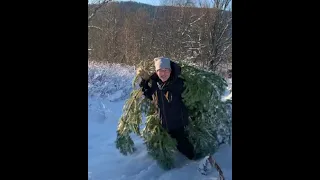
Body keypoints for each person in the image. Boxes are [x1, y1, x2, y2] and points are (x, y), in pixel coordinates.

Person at [137, 57, 195, 160]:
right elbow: (151, 96)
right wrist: (144, 86)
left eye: (166, 70)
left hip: (178, 122)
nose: (163, 73)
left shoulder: (178, 83)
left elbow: (189, 98)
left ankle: (193, 161)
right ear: (156, 72)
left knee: (182, 143)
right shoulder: (156, 84)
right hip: (164, 121)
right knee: (170, 141)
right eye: (160, 71)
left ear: (170, 71)